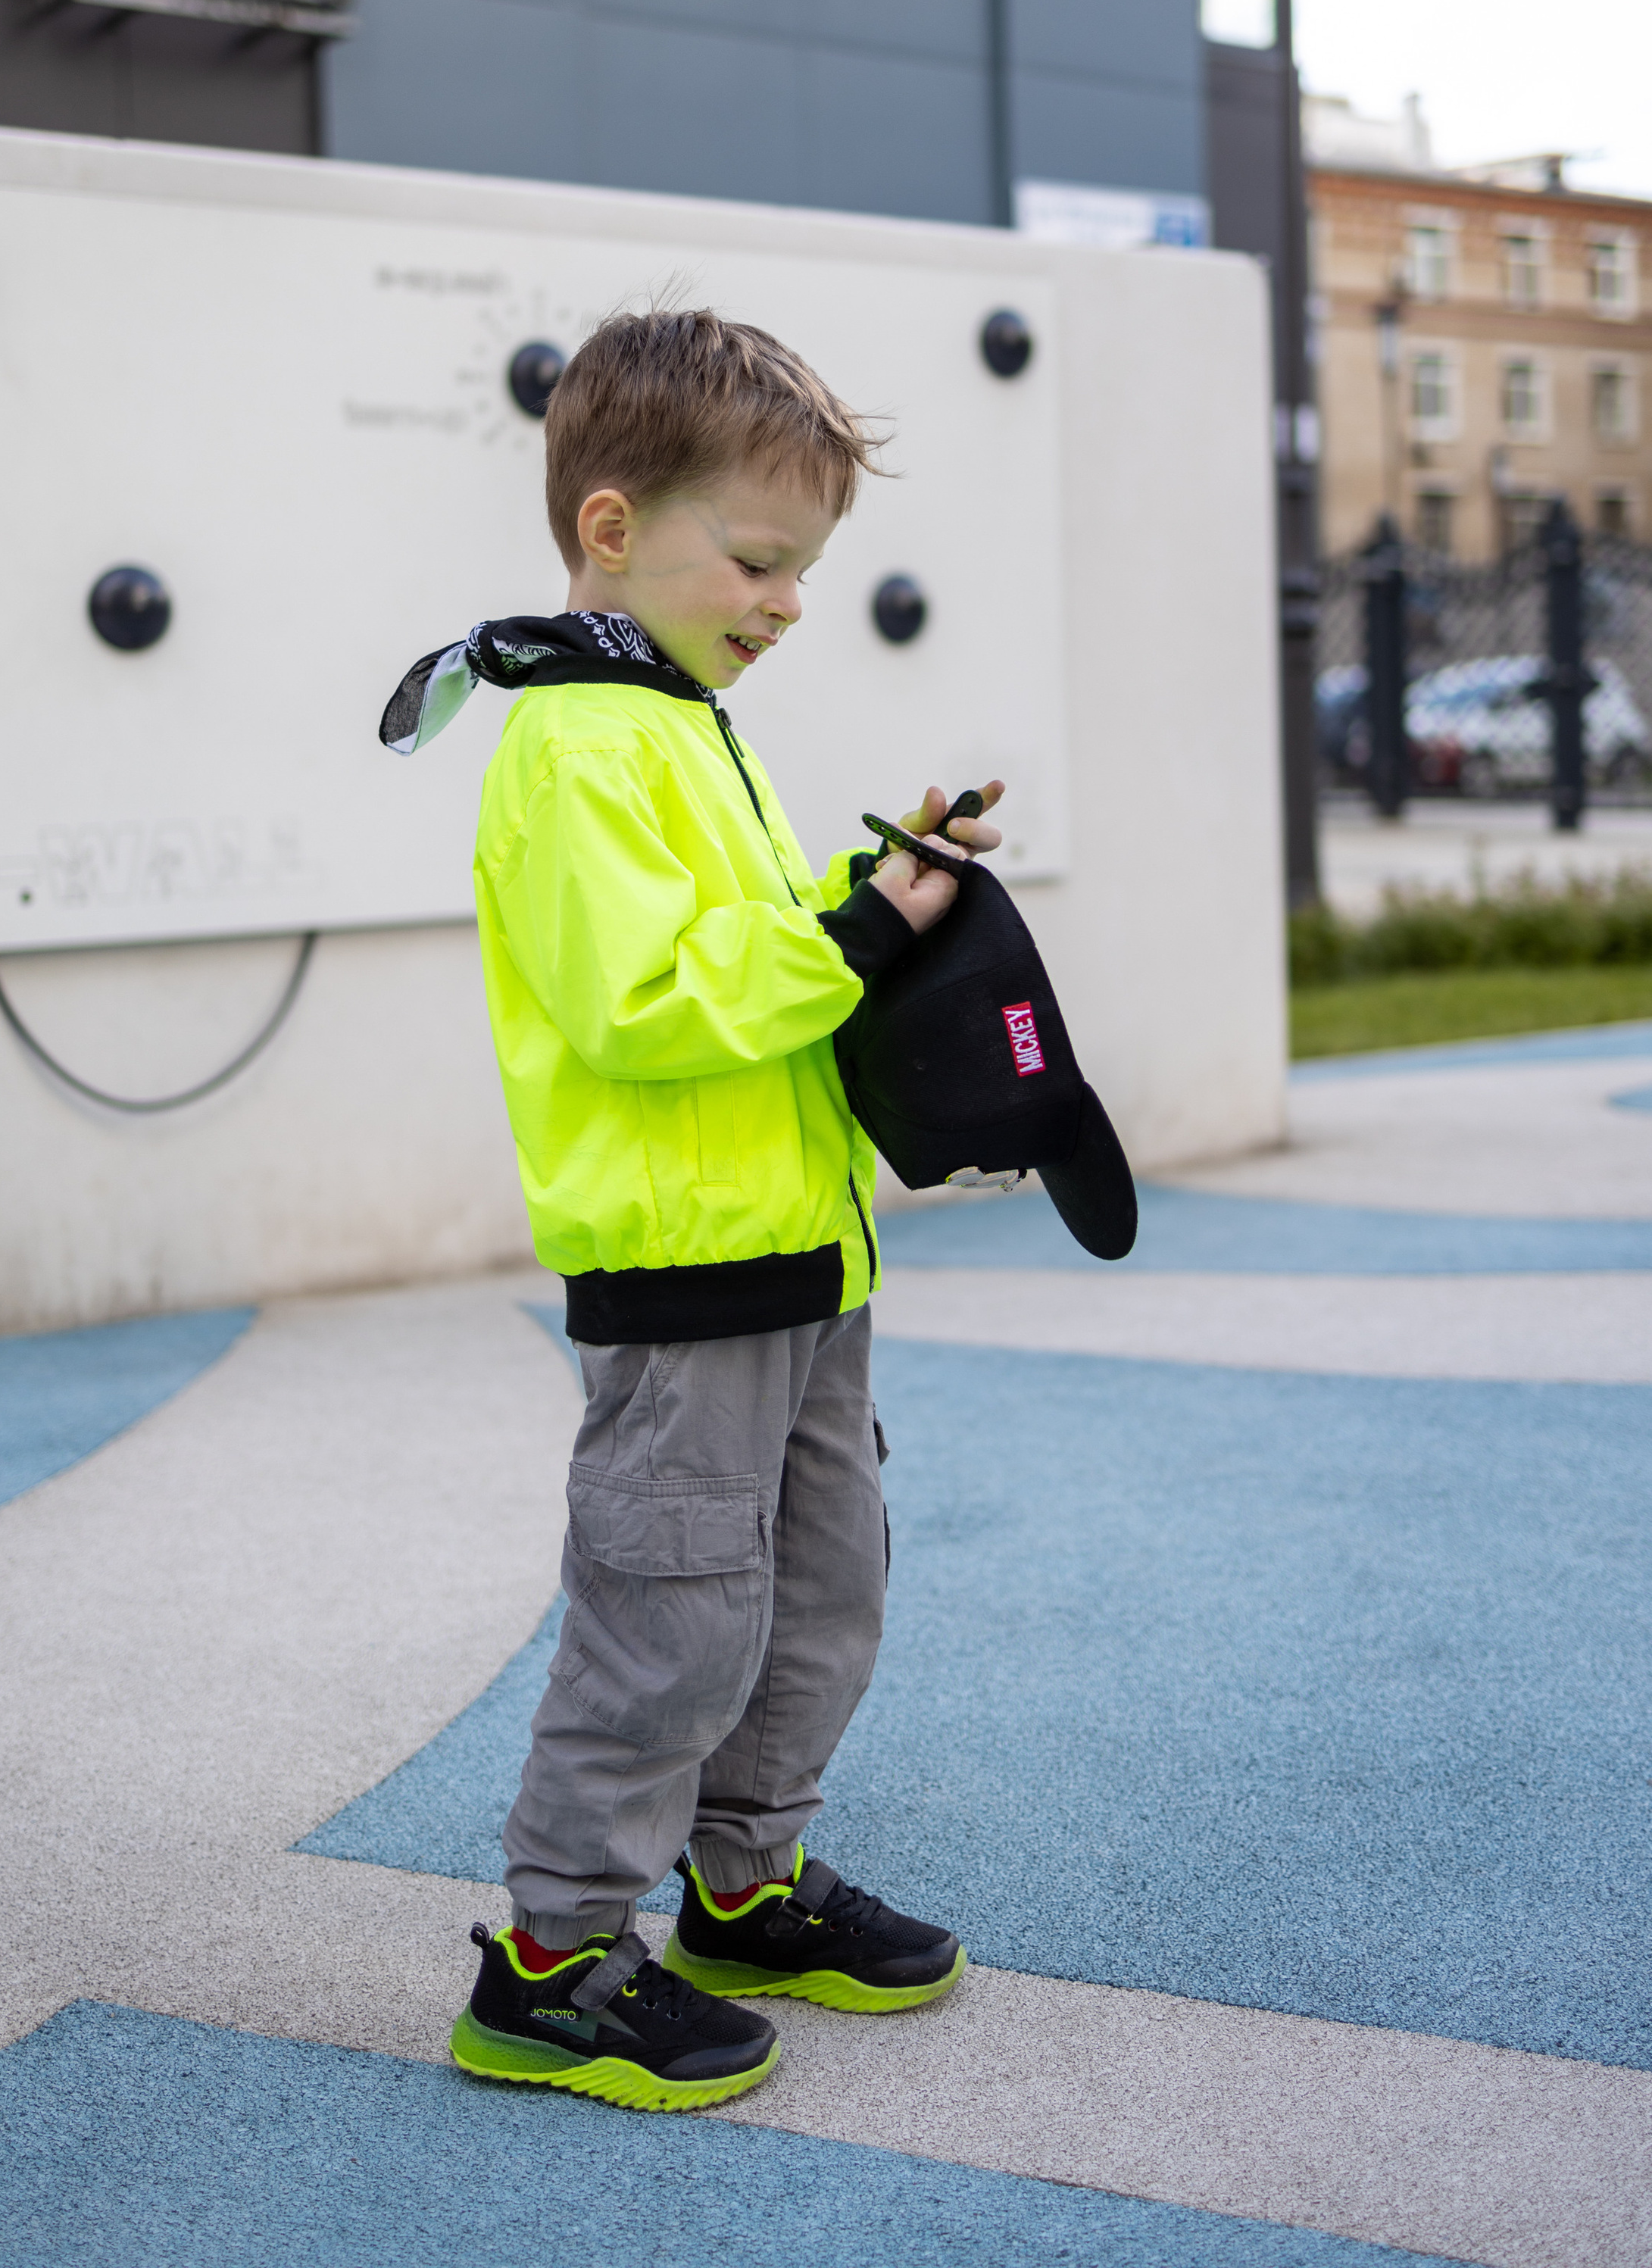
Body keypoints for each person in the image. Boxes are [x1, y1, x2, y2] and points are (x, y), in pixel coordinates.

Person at [446, 305, 1002, 2111]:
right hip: (687, 1277)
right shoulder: (578, 747)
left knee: (819, 1590)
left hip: (801, 1258)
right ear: (610, 528)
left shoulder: (681, 725)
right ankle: (549, 1964)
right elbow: (649, 1000)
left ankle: (742, 1884)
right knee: (670, 1617)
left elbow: (743, 950)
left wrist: (872, 888)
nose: (785, 603)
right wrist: (854, 935)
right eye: (758, 562)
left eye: (804, 573)